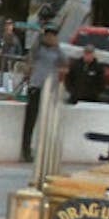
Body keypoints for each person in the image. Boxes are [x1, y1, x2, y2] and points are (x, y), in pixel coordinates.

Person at [20, 24, 65, 162]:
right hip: (36, 86)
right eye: (49, 35)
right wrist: (27, 74)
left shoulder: (57, 51)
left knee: (46, 121)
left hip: (49, 89)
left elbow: (63, 64)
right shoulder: (38, 48)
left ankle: (40, 150)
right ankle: (26, 149)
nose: (52, 38)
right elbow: (29, 61)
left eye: (54, 35)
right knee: (31, 119)